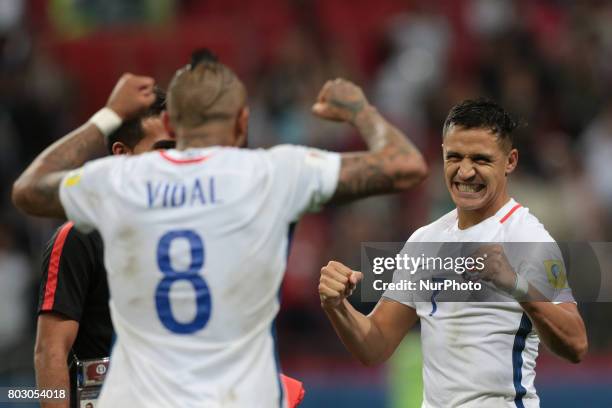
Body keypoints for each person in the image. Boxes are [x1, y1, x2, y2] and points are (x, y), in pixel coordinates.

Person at [12, 50, 428, 407]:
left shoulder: (126, 182)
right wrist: (360, 111)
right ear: (243, 122)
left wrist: (108, 116)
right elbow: (405, 166)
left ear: (173, 124)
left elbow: (28, 190)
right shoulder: (271, 173)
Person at [318, 99, 588, 408]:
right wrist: (337, 306)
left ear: (509, 161)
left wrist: (516, 285)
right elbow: (375, 344)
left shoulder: (527, 238)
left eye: (481, 160)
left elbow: (576, 344)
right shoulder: (425, 241)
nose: (465, 171)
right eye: (455, 156)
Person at [34, 86, 173, 408]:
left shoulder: (193, 233)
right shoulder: (80, 237)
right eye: (162, 149)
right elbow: (50, 351)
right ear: (122, 155)